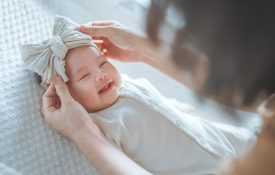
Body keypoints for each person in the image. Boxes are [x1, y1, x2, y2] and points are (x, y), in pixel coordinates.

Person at [42, 1, 275, 175]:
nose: (101, 73)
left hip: (236, 143)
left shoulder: (131, 86)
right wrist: (144, 50)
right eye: (84, 76)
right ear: (68, 95)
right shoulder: (103, 124)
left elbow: (159, 104)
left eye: (102, 63)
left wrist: (82, 132)